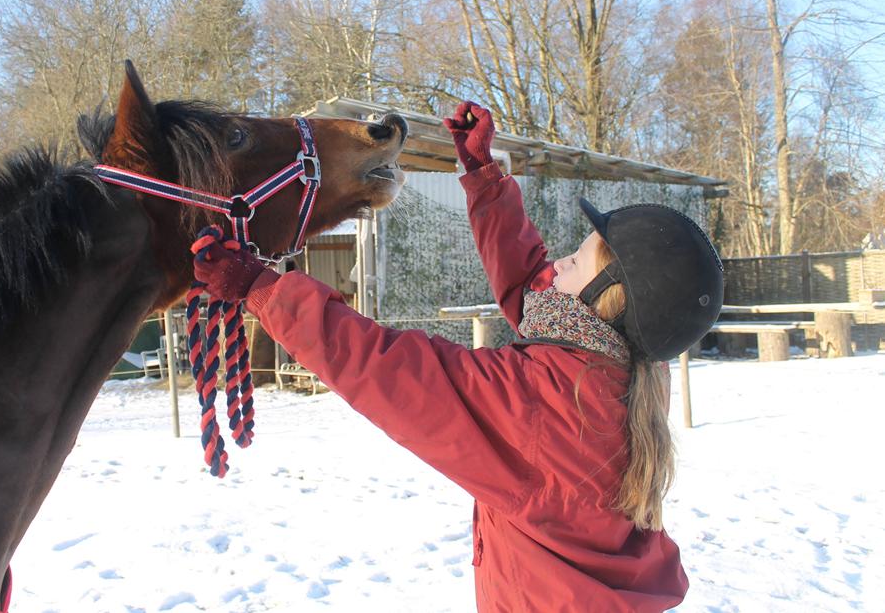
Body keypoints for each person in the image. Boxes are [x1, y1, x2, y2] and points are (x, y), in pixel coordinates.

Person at [192, 102, 724, 612]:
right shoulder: (623, 368)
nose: (559, 260)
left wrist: (260, 288)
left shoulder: (544, 404)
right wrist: (483, 177)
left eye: (577, 258)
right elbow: (533, 285)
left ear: (608, 298)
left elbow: (387, 369)